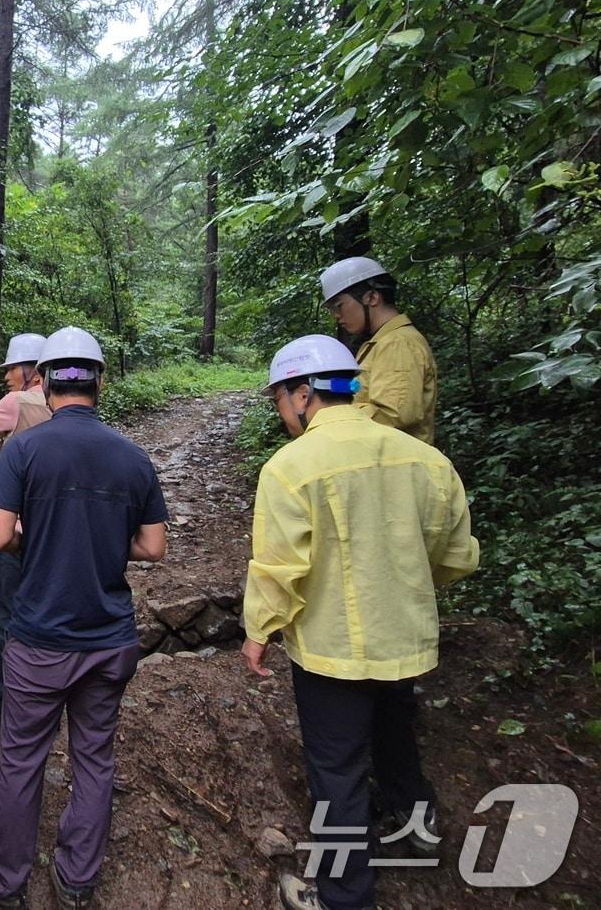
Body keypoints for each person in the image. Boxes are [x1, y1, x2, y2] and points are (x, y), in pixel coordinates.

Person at [240, 334, 479, 910]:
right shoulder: (425, 459)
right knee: (397, 735)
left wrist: (259, 631)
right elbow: (456, 555)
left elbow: (280, 568)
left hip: (331, 651)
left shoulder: (291, 467)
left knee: (338, 768)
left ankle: (345, 896)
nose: (281, 412)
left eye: (279, 399)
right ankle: (414, 830)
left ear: (303, 395)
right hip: (406, 640)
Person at [0, 327, 168, 910]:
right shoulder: (132, 455)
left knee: (23, 759)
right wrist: (104, 539)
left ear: (45, 382)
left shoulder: (23, 451)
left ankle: (4, 885)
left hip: (38, 642)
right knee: (94, 756)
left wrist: (46, 533)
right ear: (100, 382)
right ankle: (76, 877)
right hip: (109, 640)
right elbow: (153, 547)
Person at [0, 332, 51, 740]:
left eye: (11, 369)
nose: (6, 377)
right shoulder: (65, 403)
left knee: (6, 618)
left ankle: (6, 711)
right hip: (56, 532)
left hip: (18, 531)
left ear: (30, 370)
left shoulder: (17, 402)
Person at [319, 256, 438, 443]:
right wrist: (325, 386)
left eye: (339, 305)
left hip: (399, 465)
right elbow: (359, 388)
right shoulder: (380, 344)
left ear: (372, 297)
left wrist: (336, 416)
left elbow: (393, 414)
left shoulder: (398, 343)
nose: (336, 316)